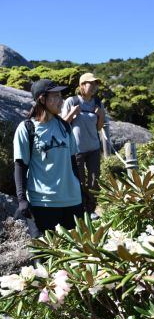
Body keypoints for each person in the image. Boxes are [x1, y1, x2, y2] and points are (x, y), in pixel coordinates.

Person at [14, 79, 83, 235]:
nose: (61, 100)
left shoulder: (65, 126)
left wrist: (81, 191)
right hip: (42, 203)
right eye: (56, 96)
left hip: (72, 200)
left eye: (61, 96)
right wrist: (21, 200)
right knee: (45, 254)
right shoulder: (27, 128)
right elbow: (20, 165)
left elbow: (73, 162)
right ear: (42, 99)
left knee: (74, 254)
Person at [62, 72, 105, 220]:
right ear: (82, 85)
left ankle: (91, 209)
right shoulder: (72, 101)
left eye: (95, 84)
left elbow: (99, 128)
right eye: (90, 83)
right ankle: (80, 210)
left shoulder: (98, 103)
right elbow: (62, 125)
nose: (94, 87)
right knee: (78, 181)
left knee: (94, 180)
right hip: (76, 150)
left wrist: (101, 116)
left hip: (93, 148)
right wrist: (72, 113)